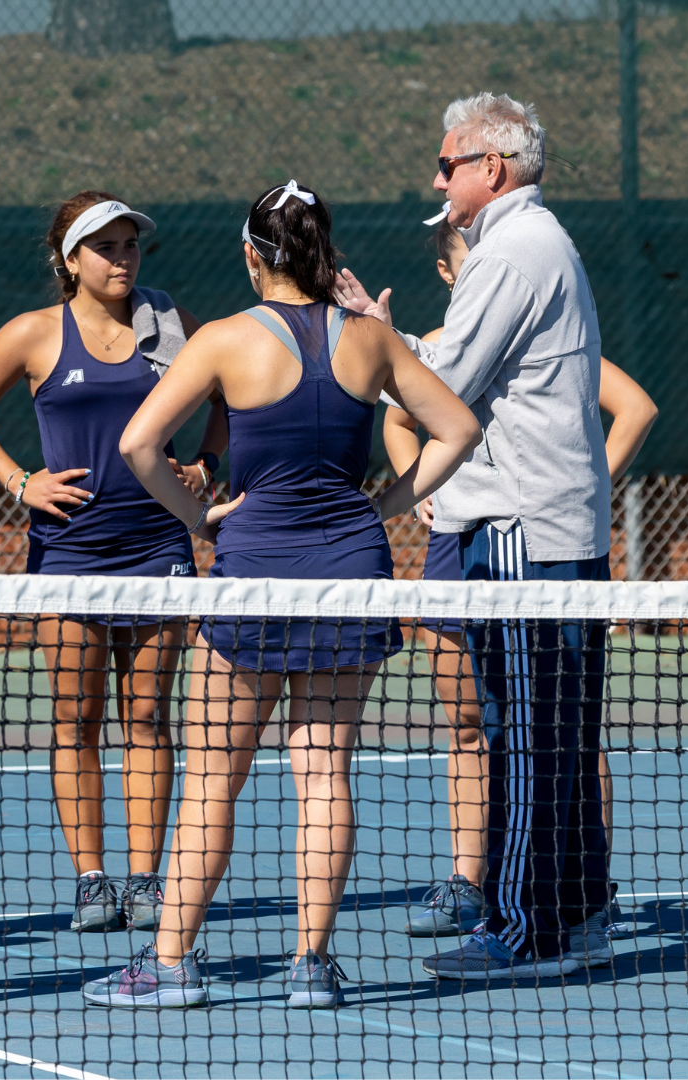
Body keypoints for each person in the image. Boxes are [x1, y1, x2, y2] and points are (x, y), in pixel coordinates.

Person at [86, 180, 479, 1010]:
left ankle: (169, 966)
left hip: (253, 577)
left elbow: (136, 443)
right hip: (351, 574)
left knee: (210, 781)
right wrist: (391, 503)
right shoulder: (370, 340)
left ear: (251, 254)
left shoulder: (227, 339)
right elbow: (460, 429)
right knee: (324, 772)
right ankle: (312, 966)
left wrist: (199, 516)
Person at [334, 91, 618, 980]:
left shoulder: (514, 252)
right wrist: (394, 341)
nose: (437, 176)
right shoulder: (528, 248)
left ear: (491, 168)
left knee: (530, 733)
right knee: (549, 730)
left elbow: (443, 386)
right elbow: (455, 371)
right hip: (538, 526)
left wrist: (375, 343)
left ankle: (530, 930)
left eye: (448, 161)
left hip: (525, 533)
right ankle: (574, 914)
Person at [0, 190, 223, 935]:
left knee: (148, 718)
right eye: (107, 248)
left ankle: (146, 880)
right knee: (76, 719)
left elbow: (225, 388)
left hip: (159, 545)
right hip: (68, 551)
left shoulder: (169, 325)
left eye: (131, 245)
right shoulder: (34, 334)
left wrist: (207, 460)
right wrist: (18, 481)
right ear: (70, 261)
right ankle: (92, 880)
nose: (123, 259)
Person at [386, 218, 658, 941]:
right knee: (473, 724)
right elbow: (399, 420)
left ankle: (568, 892)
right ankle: (469, 880)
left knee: (560, 724)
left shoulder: (542, 332)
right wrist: (419, 492)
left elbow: (635, 409)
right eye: (470, 258)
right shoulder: (429, 353)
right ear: (452, 276)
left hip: (530, 539)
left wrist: (587, 485)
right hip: (460, 544)